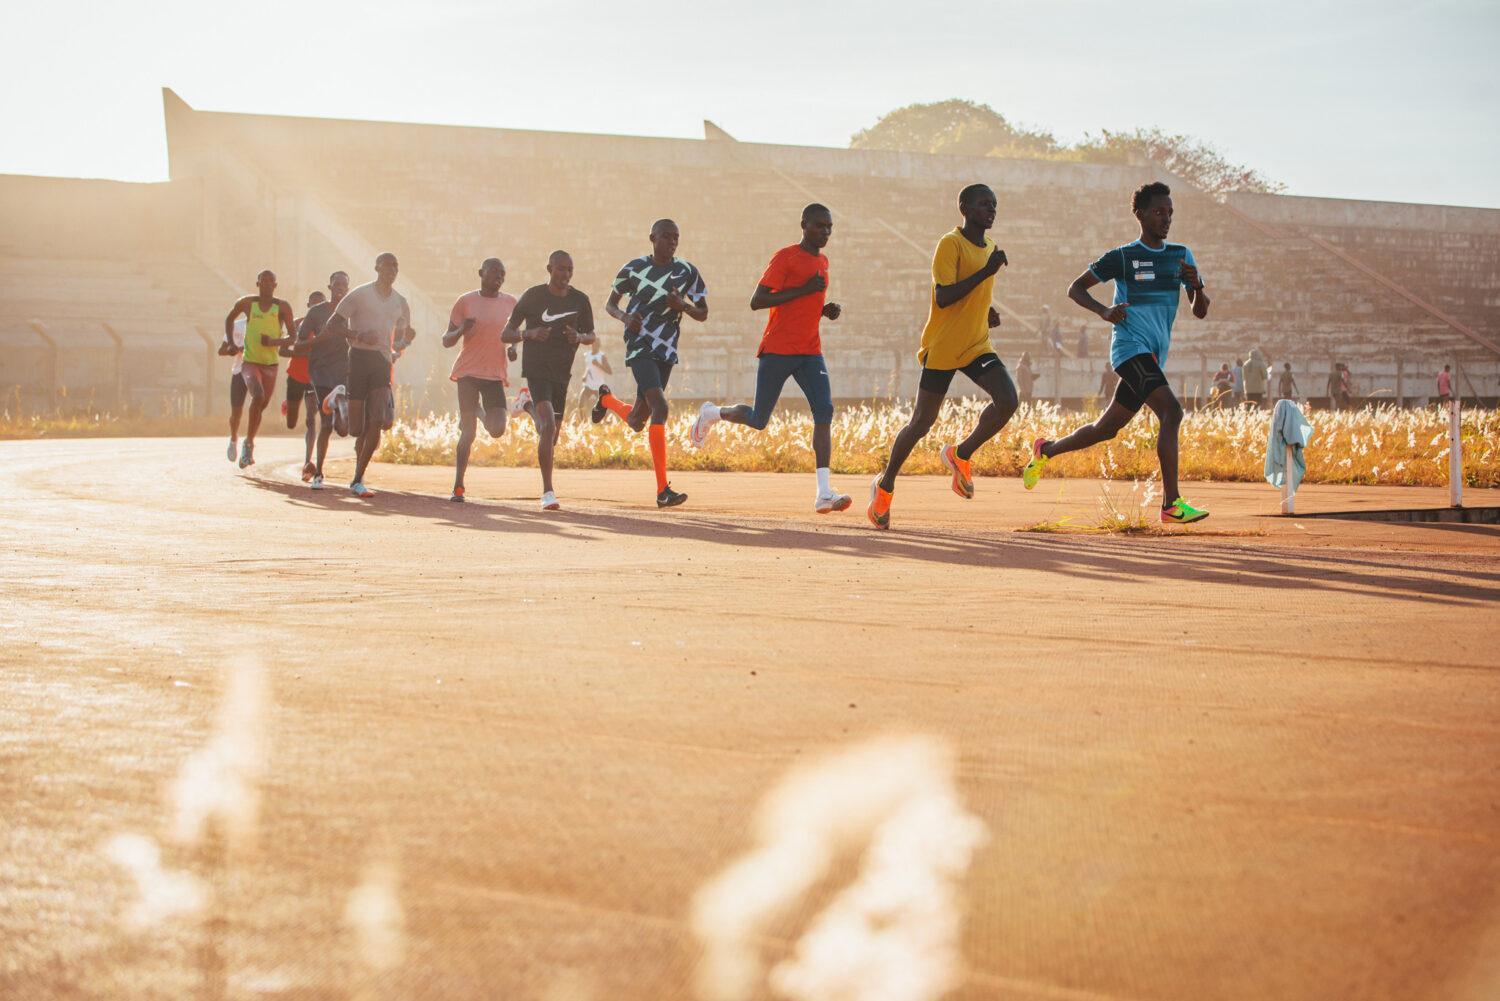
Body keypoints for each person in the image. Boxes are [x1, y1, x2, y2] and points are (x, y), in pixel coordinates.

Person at [1021, 181, 1212, 525]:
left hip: (1153, 355)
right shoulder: (1122, 257)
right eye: (1158, 212)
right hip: (1129, 349)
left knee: (1105, 428)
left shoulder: (1181, 255)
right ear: (1139, 214)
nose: (1166, 218)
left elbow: (1200, 311)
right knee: (1173, 412)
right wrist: (1104, 311)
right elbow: (1075, 288)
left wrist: (1196, 285)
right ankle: (1171, 504)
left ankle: (1045, 449)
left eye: (1170, 212)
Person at [866, 183, 1018, 530]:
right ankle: (885, 485)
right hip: (944, 346)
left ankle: (961, 453)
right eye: (984, 204)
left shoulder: (991, 247)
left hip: (977, 343)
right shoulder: (949, 244)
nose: (991, 210)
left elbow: (975, 292)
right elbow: (945, 296)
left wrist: (987, 311)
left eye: (994, 205)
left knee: (1008, 399)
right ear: (964, 207)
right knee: (921, 422)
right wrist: (987, 272)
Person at [689, 203, 851, 513]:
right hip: (777, 350)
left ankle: (824, 493)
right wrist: (805, 290)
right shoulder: (785, 257)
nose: (825, 232)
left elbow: (805, 305)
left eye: (830, 227)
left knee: (824, 411)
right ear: (804, 225)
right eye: (819, 226)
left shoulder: (824, 261)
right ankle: (712, 413)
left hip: (810, 351)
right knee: (759, 420)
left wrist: (823, 309)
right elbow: (757, 301)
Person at [591, 219, 707, 508]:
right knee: (661, 406)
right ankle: (662, 491)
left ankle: (606, 400)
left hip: (666, 347)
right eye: (666, 236)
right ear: (652, 237)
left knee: (636, 421)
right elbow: (610, 304)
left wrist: (684, 307)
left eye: (676, 237)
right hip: (639, 342)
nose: (672, 242)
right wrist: (626, 318)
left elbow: (703, 312)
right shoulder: (633, 269)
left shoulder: (687, 271)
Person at [501, 251, 595, 510]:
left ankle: (527, 406)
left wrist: (578, 336)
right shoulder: (533, 296)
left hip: (562, 372)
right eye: (560, 269)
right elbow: (506, 334)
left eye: (569, 270)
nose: (565, 275)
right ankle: (548, 492)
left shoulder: (580, 300)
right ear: (549, 269)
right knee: (548, 427)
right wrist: (529, 333)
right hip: (537, 369)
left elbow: (591, 336)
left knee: (550, 435)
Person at [323, 253, 414, 497]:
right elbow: (332, 326)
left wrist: (401, 344)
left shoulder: (400, 302)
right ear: (376, 268)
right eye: (386, 266)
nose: (391, 270)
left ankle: (357, 479)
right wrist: (358, 336)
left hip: (382, 362)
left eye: (395, 266)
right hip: (359, 358)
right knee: (354, 429)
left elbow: (405, 331)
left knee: (377, 418)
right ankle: (339, 400)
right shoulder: (360, 295)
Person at [438, 258, 517, 504]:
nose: (499, 277)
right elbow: (446, 340)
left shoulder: (511, 303)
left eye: (502, 274)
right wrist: (462, 330)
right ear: (481, 273)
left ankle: (479, 412)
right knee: (468, 432)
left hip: (494, 373)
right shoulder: (466, 301)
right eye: (494, 272)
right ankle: (458, 485)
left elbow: (514, 332)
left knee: (496, 429)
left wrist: (514, 347)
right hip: (468, 373)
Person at [222, 270, 297, 469]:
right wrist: (230, 343)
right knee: (257, 396)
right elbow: (229, 319)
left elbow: (293, 337)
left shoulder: (282, 307)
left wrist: (274, 341)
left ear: (275, 285)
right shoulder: (247, 303)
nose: (266, 284)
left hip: (271, 365)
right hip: (250, 362)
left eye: (270, 281)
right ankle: (245, 443)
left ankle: (249, 440)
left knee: (260, 407)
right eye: (263, 281)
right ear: (257, 283)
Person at [288, 271, 352, 489]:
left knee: (343, 431)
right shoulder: (316, 313)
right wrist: (322, 337)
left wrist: (350, 334)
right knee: (325, 423)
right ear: (330, 287)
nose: (340, 288)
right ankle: (319, 475)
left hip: (345, 370)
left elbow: (358, 335)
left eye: (344, 284)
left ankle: (340, 402)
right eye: (336, 284)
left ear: (348, 288)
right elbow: (300, 343)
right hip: (321, 371)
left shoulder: (353, 310)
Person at [281, 290, 324, 481]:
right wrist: (303, 354)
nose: (316, 308)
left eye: (320, 305)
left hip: (315, 378)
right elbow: (282, 351)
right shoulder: (298, 324)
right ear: (308, 306)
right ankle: (289, 405)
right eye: (313, 305)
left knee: (310, 419)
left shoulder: (329, 328)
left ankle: (308, 463)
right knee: (291, 422)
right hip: (295, 376)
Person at [219, 314, 246, 462]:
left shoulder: (268, 322)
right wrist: (235, 349)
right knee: (236, 412)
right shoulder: (238, 325)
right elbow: (221, 350)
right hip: (240, 371)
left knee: (258, 405)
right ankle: (234, 439)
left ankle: (248, 444)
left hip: (261, 370)